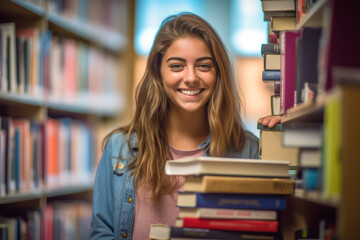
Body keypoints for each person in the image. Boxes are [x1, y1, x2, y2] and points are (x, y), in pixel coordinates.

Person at [90, 12, 281, 240]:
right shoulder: (117, 149)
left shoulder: (247, 150)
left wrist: (281, 142)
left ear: (218, 74)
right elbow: (102, 234)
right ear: (158, 72)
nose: (191, 78)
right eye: (177, 66)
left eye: (203, 66)